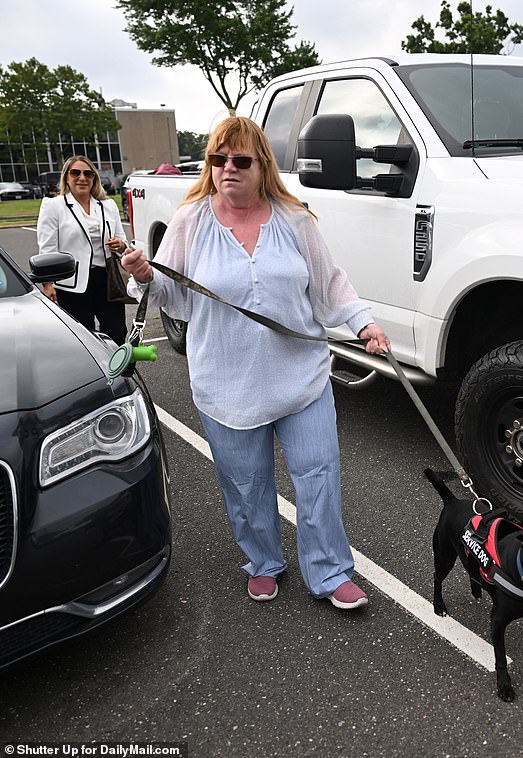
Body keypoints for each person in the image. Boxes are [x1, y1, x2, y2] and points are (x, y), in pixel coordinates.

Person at [122, 116, 390, 610]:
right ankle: (263, 562)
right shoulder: (191, 221)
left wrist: (363, 324)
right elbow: (169, 292)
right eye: (217, 159)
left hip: (302, 377)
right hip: (226, 385)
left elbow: (330, 284)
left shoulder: (294, 219)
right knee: (245, 486)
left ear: (261, 164)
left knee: (319, 476)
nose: (228, 169)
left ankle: (330, 571)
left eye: (240, 160)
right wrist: (142, 275)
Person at [36, 155, 129, 344]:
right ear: (66, 177)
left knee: (117, 332)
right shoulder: (54, 206)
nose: (82, 177)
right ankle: (96, 374)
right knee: (83, 338)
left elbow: (124, 242)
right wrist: (47, 284)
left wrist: (120, 244)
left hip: (107, 281)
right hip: (72, 284)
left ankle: (120, 372)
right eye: (75, 172)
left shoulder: (107, 206)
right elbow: (47, 249)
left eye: (88, 173)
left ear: (94, 178)